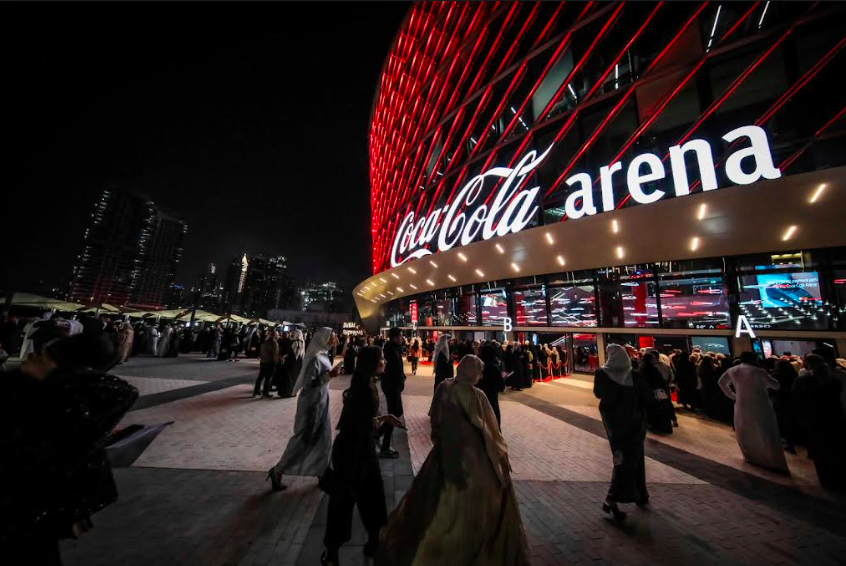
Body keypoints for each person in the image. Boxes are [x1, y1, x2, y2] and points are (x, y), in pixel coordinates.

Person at [378, 355, 530, 565]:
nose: (481, 374)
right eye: (479, 370)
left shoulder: (444, 387)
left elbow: (435, 418)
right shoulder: (477, 396)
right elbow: (490, 431)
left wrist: (441, 439)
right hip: (472, 458)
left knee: (431, 498)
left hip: (445, 453)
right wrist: (498, 456)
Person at [0, 333, 138, 566]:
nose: (34, 354)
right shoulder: (15, 389)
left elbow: (122, 392)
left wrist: (58, 375)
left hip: (25, 513)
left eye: (48, 355)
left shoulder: (66, 405)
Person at [322, 346, 403, 566]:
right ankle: (332, 553)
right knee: (345, 499)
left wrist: (384, 418)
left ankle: (373, 543)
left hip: (362, 447)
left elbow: (363, 419)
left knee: (372, 495)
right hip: (353, 450)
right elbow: (356, 423)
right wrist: (380, 421)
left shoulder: (366, 384)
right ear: (371, 363)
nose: (384, 361)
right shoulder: (364, 389)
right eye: (381, 359)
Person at [267, 328, 343, 492]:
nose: (335, 339)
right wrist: (330, 375)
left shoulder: (322, 354)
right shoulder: (315, 357)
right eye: (333, 337)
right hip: (311, 404)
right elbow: (309, 384)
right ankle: (278, 470)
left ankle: (323, 473)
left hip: (321, 401)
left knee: (324, 438)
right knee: (304, 439)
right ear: (324, 338)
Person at [593, 344, 653, 521]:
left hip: (613, 423)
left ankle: (636, 494)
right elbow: (648, 398)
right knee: (633, 457)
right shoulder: (634, 375)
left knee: (621, 456)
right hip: (634, 422)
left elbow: (598, 394)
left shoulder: (601, 374)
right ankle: (615, 497)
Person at [718, 351, 788, 473]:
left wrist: (734, 396)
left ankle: (750, 456)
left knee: (744, 430)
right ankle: (770, 459)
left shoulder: (733, 370)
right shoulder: (758, 371)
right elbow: (776, 385)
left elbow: (721, 383)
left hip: (741, 403)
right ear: (753, 359)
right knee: (765, 430)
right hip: (761, 404)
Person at [792, 354, 846, 491]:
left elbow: (795, 400)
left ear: (806, 364)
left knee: (820, 451)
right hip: (835, 418)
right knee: (837, 448)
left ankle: (828, 480)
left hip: (814, 421)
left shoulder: (803, 381)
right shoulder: (835, 379)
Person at [379, 328, 406, 459]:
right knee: (393, 414)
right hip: (391, 386)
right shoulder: (390, 350)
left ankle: (378, 435)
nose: (402, 338)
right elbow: (390, 370)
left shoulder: (394, 348)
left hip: (394, 386)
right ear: (395, 337)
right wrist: (399, 379)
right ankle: (383, 444)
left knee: (396, 413)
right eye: (400, 336)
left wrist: (402, 377)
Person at [640, 352, 674, 434]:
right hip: (657, 392)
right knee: (659, 409)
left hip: (648, 393)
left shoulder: (642, 368)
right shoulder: (653, 369)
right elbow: (661, 380)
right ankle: (659, 426)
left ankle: (652, 424)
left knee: (651, 410)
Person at [771, 359, 799, 453]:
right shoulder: (794, 374)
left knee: (779, 420)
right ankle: (792, 443)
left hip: (779, 399)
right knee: (790, 421)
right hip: (791, 399)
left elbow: (772, 387)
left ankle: (781, 440)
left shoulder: (776, 375)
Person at [477, 342, 505, 427]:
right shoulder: (493, 367)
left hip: (478, 399)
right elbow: (501, 386)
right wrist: (502, 377)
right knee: (493, 422)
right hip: (491, 397)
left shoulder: (477, 365)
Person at [254, 330, 279, 398]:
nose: (278, 335)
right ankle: (265, 393)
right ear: (275, 336)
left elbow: (260, 353)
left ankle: (256, 391)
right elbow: (275, 355)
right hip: (270, 362)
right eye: (277, 334)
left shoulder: (265, 342)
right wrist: (276, 362)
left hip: (263, 362)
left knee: (260, 377)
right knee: (268, 378)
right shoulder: (274, 343)